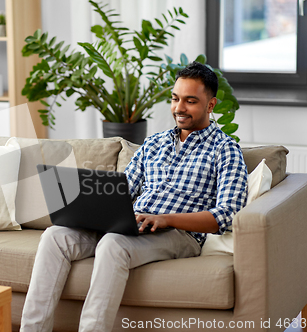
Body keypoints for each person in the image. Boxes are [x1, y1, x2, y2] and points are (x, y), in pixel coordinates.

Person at [20, 62, 248, 332]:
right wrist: (89, 203)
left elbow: (226, 216)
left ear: (211, 105)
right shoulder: (154, 143)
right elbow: (123, 189)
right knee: (55, 236)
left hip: (179, 233)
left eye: (190, 101)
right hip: (131, 223)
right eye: (175, 99)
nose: (179, 108)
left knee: (113, 244)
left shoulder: (225, 150)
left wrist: (164, 219)